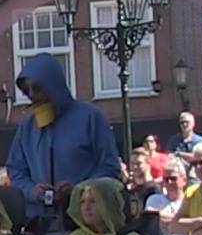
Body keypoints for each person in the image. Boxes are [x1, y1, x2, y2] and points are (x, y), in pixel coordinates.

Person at [6, 52, 121, 223]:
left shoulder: (90, 117)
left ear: (53, 85)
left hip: (86, 221)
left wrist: (81, 188)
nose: (31, 95)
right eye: (26, 90)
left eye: (37, 88)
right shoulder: (27, 127)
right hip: (41, 222)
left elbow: (109, 165)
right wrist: (31, 190)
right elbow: (15, 169)